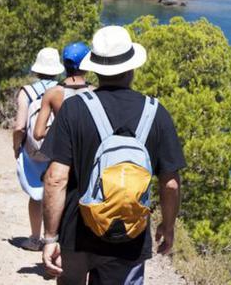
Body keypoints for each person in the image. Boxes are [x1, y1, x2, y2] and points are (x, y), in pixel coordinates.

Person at [40, 26, 186, 284]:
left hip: (76, 232)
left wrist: (51, 237)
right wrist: (168, 225)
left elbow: (55, 178)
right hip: (130, 236)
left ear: (96, 69)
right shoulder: (156, 113)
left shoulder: (74, 109)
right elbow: (171, 184)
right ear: (132, 69)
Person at [13, 47, 65, 252]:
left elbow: (19, 126)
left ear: (37, 69)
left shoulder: (26, 92)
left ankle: (35, 239)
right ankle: (54, 239)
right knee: (57, 192)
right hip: (58, 149)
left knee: (36, 195)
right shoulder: (63, 91)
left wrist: (17, 147)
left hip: (33, 149)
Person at [33, 42, 92, 143]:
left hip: (63, 147)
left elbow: (38, 133)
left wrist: (62, 129)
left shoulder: (52, 93)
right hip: (88, 148)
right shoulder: (95, 91)